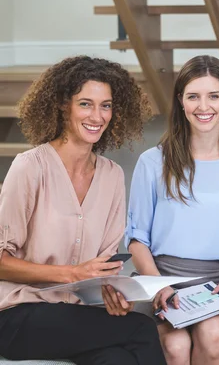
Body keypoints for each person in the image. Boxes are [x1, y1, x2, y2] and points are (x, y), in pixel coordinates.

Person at [0, 56, 166, 364]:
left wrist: (112, 292)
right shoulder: (30, 167)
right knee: (142, 329)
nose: (97, 116)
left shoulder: (113, 176)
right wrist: (72, 273)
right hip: (18, 314)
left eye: (106, 105)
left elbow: (101, 269)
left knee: (119, 360)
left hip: (75, 315)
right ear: (64, 106)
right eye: (86, 104)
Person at [126, 55, 219, 365]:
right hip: (159, 280)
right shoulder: (152, 162)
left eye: (213, 96)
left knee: (214, 332)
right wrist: (159, 287)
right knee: (175, 346)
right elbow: (137, 240)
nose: (204, 107)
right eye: (193, 96)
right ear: (181, 101)